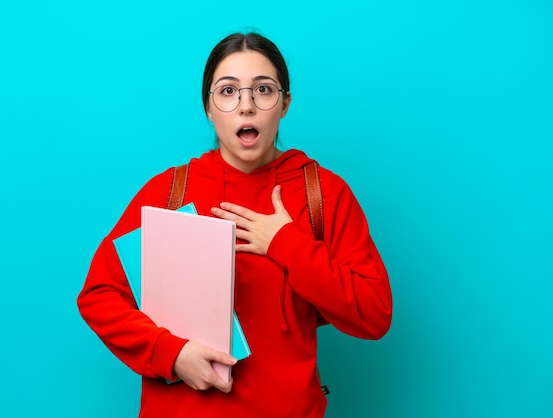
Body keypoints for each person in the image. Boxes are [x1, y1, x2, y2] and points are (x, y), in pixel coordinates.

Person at [78, 31, 392, 417]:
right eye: (228, 92)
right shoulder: (170, 192)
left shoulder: (323, 194)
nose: (246, 106)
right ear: (208, 108)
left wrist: (285, 244)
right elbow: (98, 296)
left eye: (263, 90)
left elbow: (374, 313)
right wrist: (172, 354)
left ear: (285, 104)